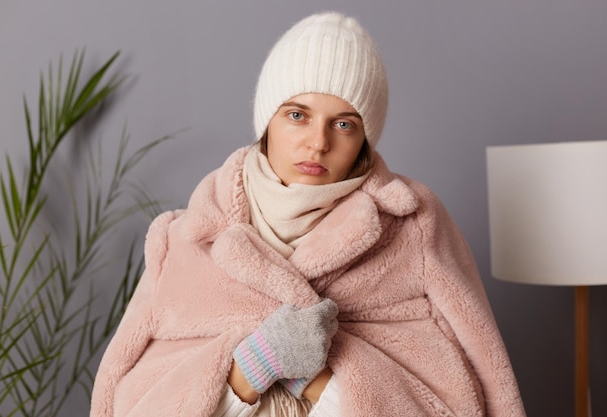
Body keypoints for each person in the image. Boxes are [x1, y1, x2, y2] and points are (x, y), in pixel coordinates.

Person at [90, 11, 526, 417]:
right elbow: (125, 398)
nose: (318, 143)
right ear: (268, 122)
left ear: (364, 138)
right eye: (297, 115)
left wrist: (314, 378)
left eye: (343, 124)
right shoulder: (184, 239)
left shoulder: (412, 226)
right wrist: (251, 369)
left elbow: (479, 385)